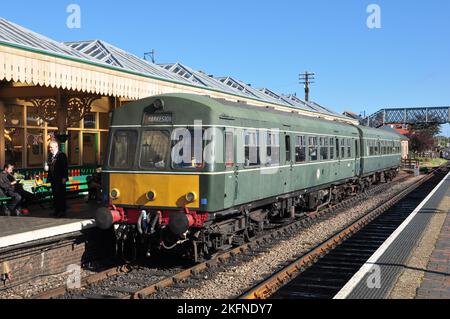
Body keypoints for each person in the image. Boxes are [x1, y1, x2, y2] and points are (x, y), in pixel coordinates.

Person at [45, 141, 69, 218]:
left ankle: (62, 211)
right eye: (49, 147)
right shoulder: (50, 155)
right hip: (53, 179)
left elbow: (65, 167)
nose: (50, 149)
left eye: (51, 147)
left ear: (56, 147)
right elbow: (49, 166)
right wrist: (46, 168)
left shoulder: (62, 155)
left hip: (60, 179)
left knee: (61, 195)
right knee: (55, 195)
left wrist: (64, 177)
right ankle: (56, 211)